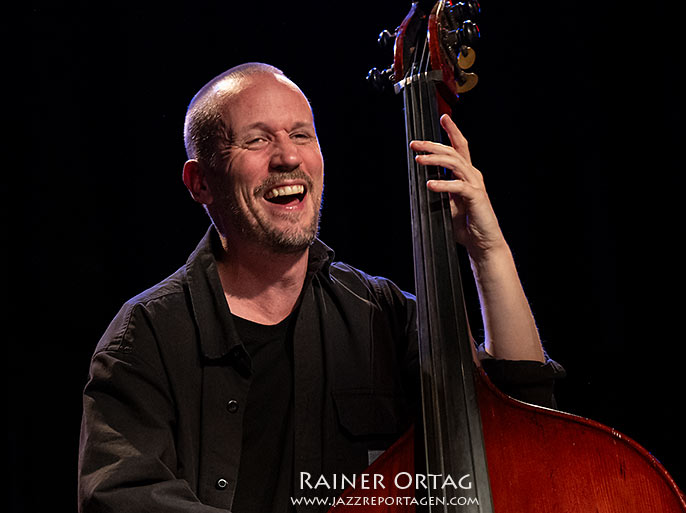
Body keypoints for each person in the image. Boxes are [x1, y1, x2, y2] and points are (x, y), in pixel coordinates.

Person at [77, 62, 564, 513]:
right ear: (200, 182)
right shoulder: (146, 337)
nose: (288, 156)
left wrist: (487, 250)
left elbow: (521, 422)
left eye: (301, 135)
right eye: (256, 141)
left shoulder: (381, 314)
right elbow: (119, 499)